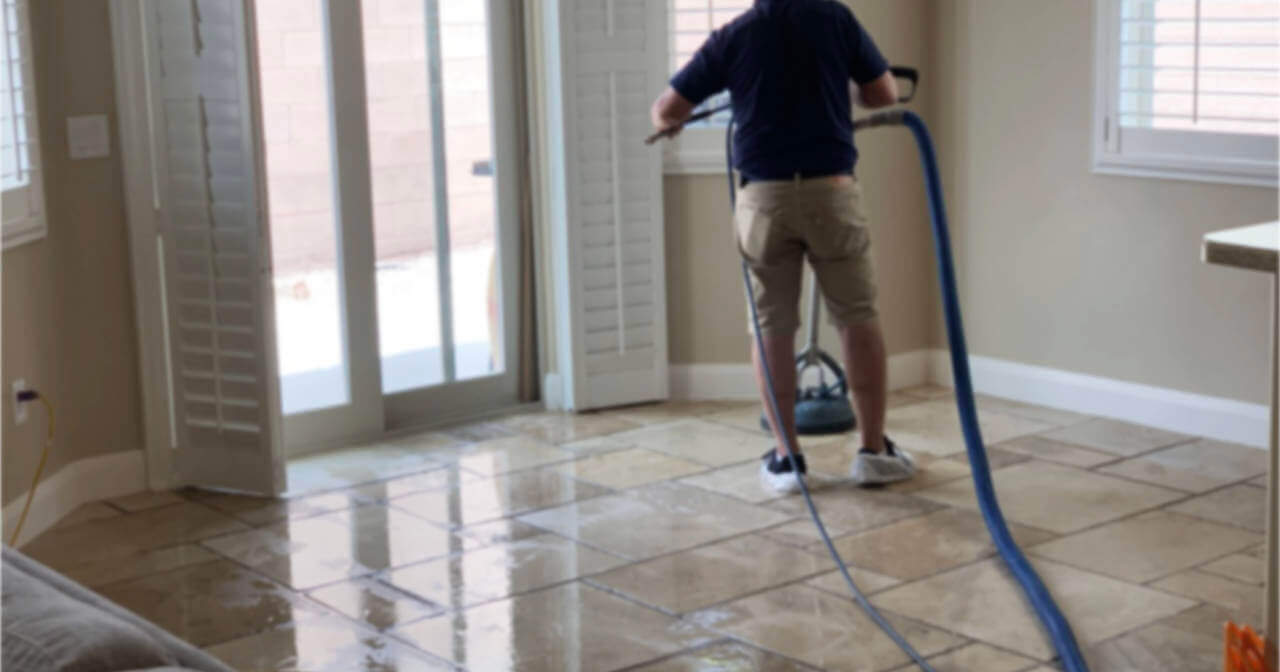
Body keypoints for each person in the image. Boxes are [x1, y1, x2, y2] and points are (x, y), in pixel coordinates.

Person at [650, 0, 915, 492]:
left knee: (771, 325)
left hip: (763, 199)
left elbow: (667, 109)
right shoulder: (835, 18)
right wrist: (843, 87)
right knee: (857, 316)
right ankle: (874, 451)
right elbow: (883, 93)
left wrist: (671, 123)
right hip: (831, 192)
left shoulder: (735, 34)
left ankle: (787, 459)